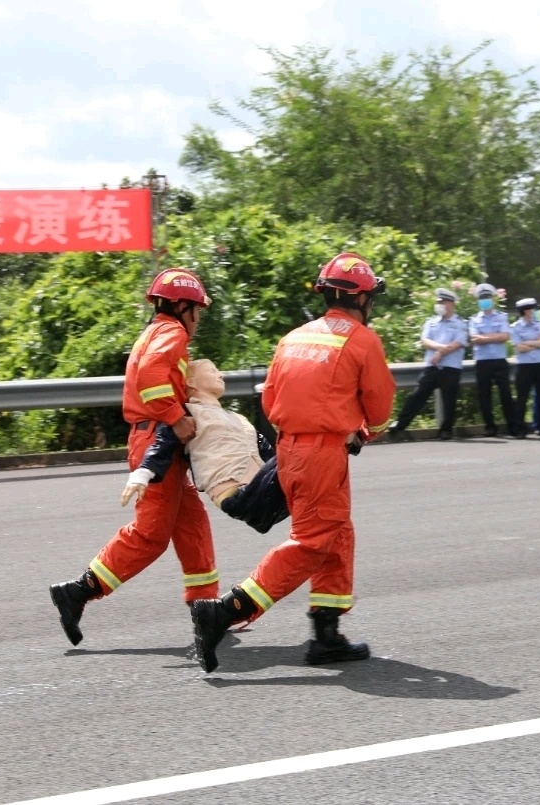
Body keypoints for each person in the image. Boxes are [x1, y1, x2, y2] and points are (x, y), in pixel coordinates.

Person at [190, 252, 396, 673]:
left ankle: (327, 634)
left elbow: (270, 398)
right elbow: (379, 406)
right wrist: (362, 432)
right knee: (313, 541)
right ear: (360, 299)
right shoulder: (362, 340)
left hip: (290, 450)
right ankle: (225, 611)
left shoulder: (295, 337)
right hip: (323, 454)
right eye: (371, 297)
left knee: (337, 533)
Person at [48, 268, 216, 647]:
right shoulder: (171, 332)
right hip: (157, 437)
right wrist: (176, 417)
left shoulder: (155, 331)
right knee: (151, 535)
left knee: (193, 525)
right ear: (180, 305)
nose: (198, 318)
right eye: (197, 310)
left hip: (155, 438)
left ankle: (207, 608)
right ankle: (78, 591)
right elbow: (152, 376)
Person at [120, 359, 287, 535]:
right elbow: (163, 443)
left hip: (266, 490)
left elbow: (271, 454)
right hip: (240, 497)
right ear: (191, 382)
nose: (220, 374)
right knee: (308, 456)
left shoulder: (237, 418)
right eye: (212, 370)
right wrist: (142, 474)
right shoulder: (187, 415)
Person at [389, 288, 469, 440]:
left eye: (442, 302)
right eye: (438, 302)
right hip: (432, 367)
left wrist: (440, 353)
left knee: (449, 400)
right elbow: (425, 340)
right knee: (417, 395)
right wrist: (439, 348)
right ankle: (400, 423)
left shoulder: (460, 324)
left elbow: (458, 343)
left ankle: (446, 430)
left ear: (451, 304)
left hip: (450, 367)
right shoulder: (431, 322)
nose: (439, 304)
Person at [469, 283, 522, 438]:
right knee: (484, 396)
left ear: (492, 299)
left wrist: (484, 337)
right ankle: (490, 427)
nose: (485, 300)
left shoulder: (501, 317)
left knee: (505, 394)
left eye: (487, 297)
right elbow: (474, 339)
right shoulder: (474, 320)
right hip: (482, 362)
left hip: (499, 360)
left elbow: (505, 336)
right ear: (478, 301)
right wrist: (495, 337)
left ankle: (512, 426)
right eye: (482, 298)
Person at [510, 297, 540, 439]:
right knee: (522, 398)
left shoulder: (538, 324)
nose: (533, 311)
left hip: (539, 365)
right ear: (525, 311)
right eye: (531, 308)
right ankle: (520, 428)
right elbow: (519, 348)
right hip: (524, 367)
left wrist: (529, 343)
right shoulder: (516, 327)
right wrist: (536, 343)